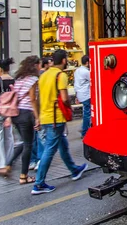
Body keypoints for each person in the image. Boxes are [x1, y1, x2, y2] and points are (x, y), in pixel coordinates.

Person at [32, 50, 87, 195]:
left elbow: (37, 98)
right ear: (63, 60)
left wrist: (37, 117)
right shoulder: (60, 75)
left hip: (45, 116)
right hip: (56, 118)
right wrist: (69, 106)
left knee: (62, 144)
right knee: (50, 149)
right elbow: (64, 98)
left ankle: (74, 170)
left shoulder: (44, 75)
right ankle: (39, 183)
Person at [7, 56, 41, 184]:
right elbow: (32, 99)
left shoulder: (19, 79)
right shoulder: (33, 79)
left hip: (16, 113)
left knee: (24, 142)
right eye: (39, 65)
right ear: (35, 66)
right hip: (26, 113)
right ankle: (23, 176)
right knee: (28, 144)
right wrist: (37, 118)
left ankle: (8, 164)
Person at [29, 56, 53, 170]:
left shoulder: (22, 78)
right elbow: (34, 98)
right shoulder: (36, 78)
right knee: (41, 136)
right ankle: (40, 160)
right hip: (36, 110)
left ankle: (32, 161)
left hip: (25, 111)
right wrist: (37, 115)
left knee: (32, 138)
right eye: (38, 64)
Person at [74, 55, 91, 138]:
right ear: (87, 63)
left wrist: (76, 95)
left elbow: (76, 84)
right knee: (87, 114)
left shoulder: (77, 70)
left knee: (86, 112)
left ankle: (83, 128)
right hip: (86, 94)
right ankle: (84, 132)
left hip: (80, 94)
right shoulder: (86, 72)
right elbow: (92, 79)